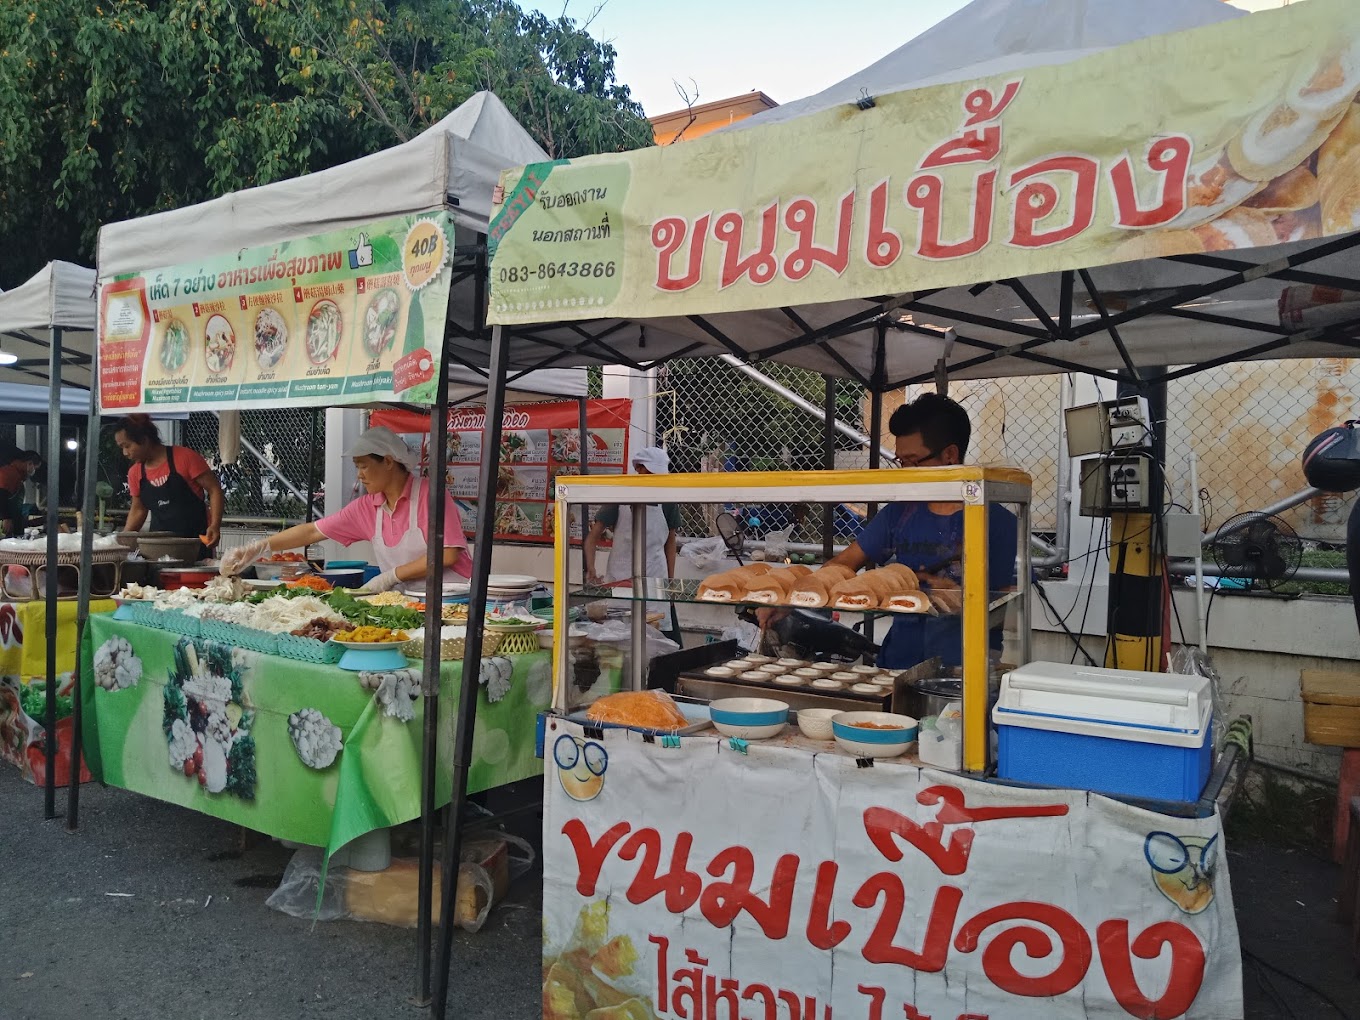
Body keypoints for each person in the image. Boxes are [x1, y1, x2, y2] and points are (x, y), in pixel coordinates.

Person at [813, 393, 1017, 669]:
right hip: (898, 664)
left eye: (913, 461)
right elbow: (845, 563)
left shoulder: (995, 521)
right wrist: (797, 595)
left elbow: (1005, 607)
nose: (905, 471)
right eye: (901, 461)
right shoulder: (900, 513)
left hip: (964, 669)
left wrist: (962, 598)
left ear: (949, 455)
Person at [220, 426, 471, 593]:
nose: (360, 475)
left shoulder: (431, 495)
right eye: (356, 467)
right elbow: (311, 532)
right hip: (409, 601)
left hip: (452, 598)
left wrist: (390, 576)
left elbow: (447, 556)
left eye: (363, 466)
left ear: (388, 461)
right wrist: (256, 549)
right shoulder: (368, 506)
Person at [116, 415, 224, 553]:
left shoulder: (185, 458)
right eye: (122, 448)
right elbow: (138, 510)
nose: (125, 452)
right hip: (157, 548)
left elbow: (214, 490)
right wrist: (124, 542)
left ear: (144, 440)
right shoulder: (135, 473)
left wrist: (215, 525)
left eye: (127, 445)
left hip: (196, 545)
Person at [582, 447, 679, 588]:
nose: (654, 477)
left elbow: (670, 542)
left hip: (655, 575)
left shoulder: (667, 500)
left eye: (657, 474)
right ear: (638, 469)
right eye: (650, 472)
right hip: (621, 575)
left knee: (655, 610)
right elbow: (592, 537)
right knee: (621, 609)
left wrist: (671, 582)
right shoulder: (621, 497)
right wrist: (591, 567)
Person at [0, 446, 27, 537]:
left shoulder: (18, 476)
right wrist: (6, 518)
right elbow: (2, 494)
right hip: (5, 523)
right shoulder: (9, 473)